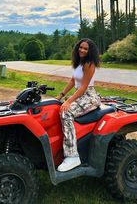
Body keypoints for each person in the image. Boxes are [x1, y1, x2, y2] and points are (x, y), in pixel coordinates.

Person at [57, 38, 101, 172]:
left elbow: (83, 87)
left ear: (90, 51)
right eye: (80, 47)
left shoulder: (89, 64)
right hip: (79, 94)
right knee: (56, 107)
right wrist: (60, 96)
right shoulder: (79, 62)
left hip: (89, 96)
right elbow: (72, 81)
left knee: (66, 111)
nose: (82, 50)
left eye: (85, 49)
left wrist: (68, 101)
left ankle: (72, 156)